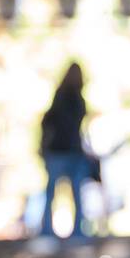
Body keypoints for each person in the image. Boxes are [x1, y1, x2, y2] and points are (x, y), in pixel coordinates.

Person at [39, 63, 89, 239]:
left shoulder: (62, 98)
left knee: (54, 192)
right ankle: (76, 231)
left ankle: (48, 230)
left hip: (61, 151)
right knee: (73, 192)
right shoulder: (73, 100)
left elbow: (48, 122)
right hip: (68, 151)